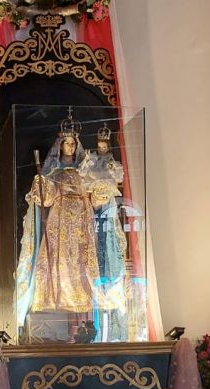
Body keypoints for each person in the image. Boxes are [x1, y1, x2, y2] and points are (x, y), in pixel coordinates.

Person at [14, 115, 101, 329]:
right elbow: (48, 199)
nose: (70, 147)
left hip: (82, 216)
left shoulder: (85, 170)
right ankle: (56, 297)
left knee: (80, 258)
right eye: (66, 143)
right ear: (60, 146)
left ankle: (83, 299)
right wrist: (40, 185)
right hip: (60, 217)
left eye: (73, 143)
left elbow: (96, 197)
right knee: (60, 258)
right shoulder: (53, 172)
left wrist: (102, 188)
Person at [80, 125, 128, 342]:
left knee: (109, 244)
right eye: (99, 145)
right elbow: (84, 178)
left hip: (107, 209)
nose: (101, 148)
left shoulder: (112, 164)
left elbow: (117, 178)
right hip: (94, 211)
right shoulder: (90, 162)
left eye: (104, 145)